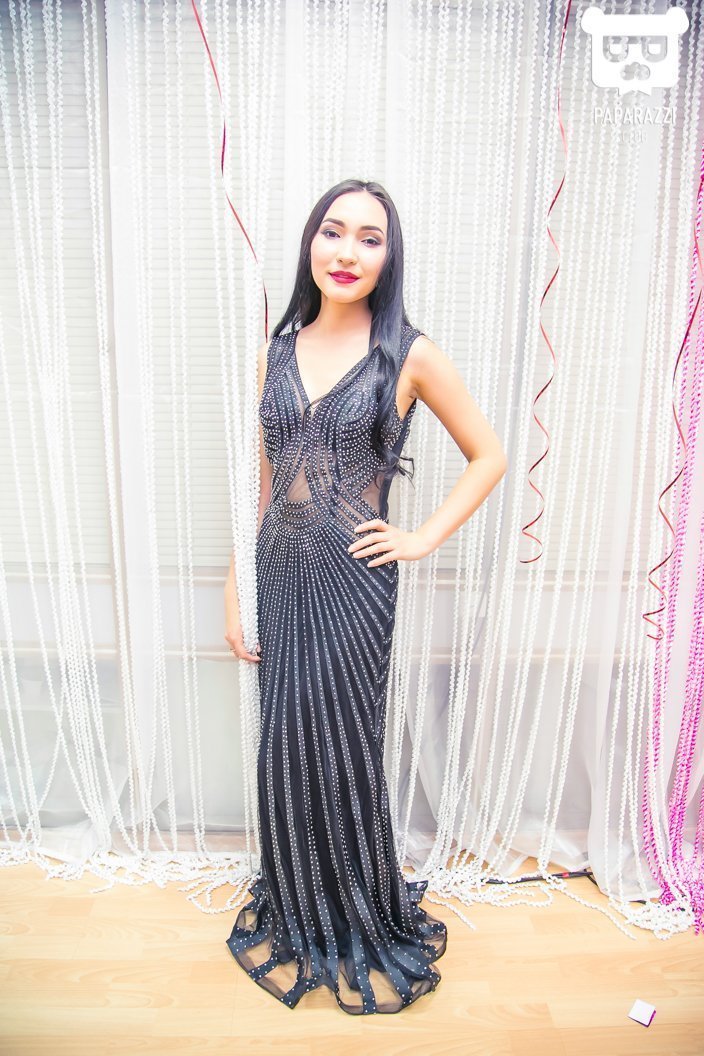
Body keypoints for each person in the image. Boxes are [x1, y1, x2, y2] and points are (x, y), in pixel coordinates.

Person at [223, 178, 507, 1014]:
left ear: (389, 257)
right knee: (284, 742)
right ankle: (300, 905)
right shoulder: (276, 352)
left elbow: (489, 455)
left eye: (370, 238)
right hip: (280, 570)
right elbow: (264, 483)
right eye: (333, 231)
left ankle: (355, 915)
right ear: (311, 243)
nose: (347, 251)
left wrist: (420, 538)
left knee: (342, 745)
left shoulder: (409, 353)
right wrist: (236, 585)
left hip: (355, 578)